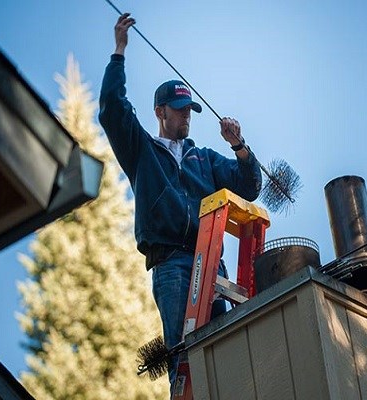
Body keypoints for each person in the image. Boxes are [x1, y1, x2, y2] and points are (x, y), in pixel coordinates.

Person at [98, 13, 262, 397]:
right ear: (160, 112)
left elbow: (250, 187)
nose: (186, 115)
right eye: (179, 108)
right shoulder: (142, 152)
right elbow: (111, 109)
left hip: (212, 261)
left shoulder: (203, 157)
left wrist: (239, 146)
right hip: (172, 262)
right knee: (185, 354)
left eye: (189, 109)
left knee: (223, 349)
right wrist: (119, 52)